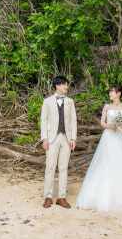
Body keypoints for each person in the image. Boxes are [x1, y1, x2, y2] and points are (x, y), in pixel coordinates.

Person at [40, 75, 77, 208]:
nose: (66, 87)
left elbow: (73, 121)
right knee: (50, 167)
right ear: (57, 85)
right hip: (52, 138)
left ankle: (61, 197)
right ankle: (48, 197)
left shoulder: (70, 102)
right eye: (64, 84)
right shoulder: (47, 101)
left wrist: (73, 138)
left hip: (66, 138)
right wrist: (44, 138)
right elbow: (43, 121)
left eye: (67, 84)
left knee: (63, 168)